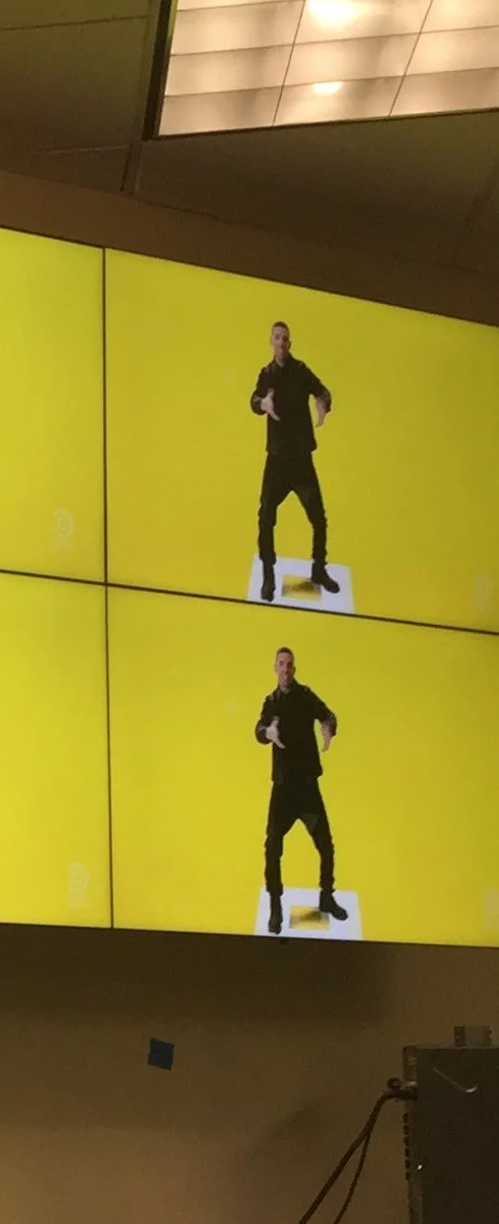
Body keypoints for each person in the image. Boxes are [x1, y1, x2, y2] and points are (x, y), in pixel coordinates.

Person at [256, 643, 343, 935]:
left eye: (290, 664)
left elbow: (328, 714)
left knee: (326, 845)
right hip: (283, 791)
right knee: (272, 847)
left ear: (294, 668)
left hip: (306, 788)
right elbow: (258, 729)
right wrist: (267, 732)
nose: (286, 669)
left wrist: (329, 727)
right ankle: (275, 908)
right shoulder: (271, 702)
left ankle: (327, 897)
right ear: (275, 668)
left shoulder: (305, 696)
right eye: (281, 664)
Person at [251, 319, 335, 605]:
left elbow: (323, 390)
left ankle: (319, 570)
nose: (281, 342)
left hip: (300, 461)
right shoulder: (267, 374)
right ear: (271, 341)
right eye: (277, 337)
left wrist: (323, 403)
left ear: (290, 342)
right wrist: (264, 404)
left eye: (285, 338)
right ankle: (268, 576)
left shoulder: (300, 371)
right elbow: (253, 401)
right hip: (276, 462)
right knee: (265, 517)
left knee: (318, 517)